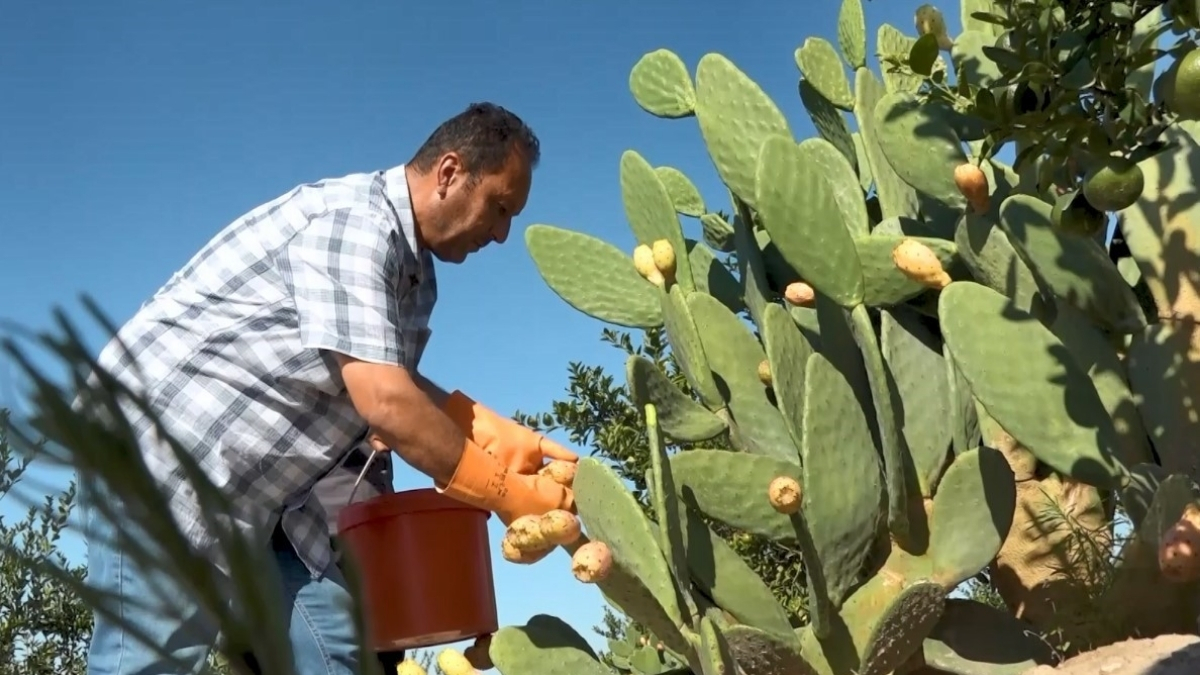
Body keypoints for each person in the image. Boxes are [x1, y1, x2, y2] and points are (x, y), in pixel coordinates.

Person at [79, 101, 579, 675]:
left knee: (335, 648)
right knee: (149, 663)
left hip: (261, 497)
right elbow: (386, 404)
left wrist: (483, 425)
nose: (501, 233)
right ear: (449, 173)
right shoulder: (353, 224)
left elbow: (384, 381)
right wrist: (503, 492)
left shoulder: (415, 279)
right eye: (499, 207)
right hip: (162, 451)